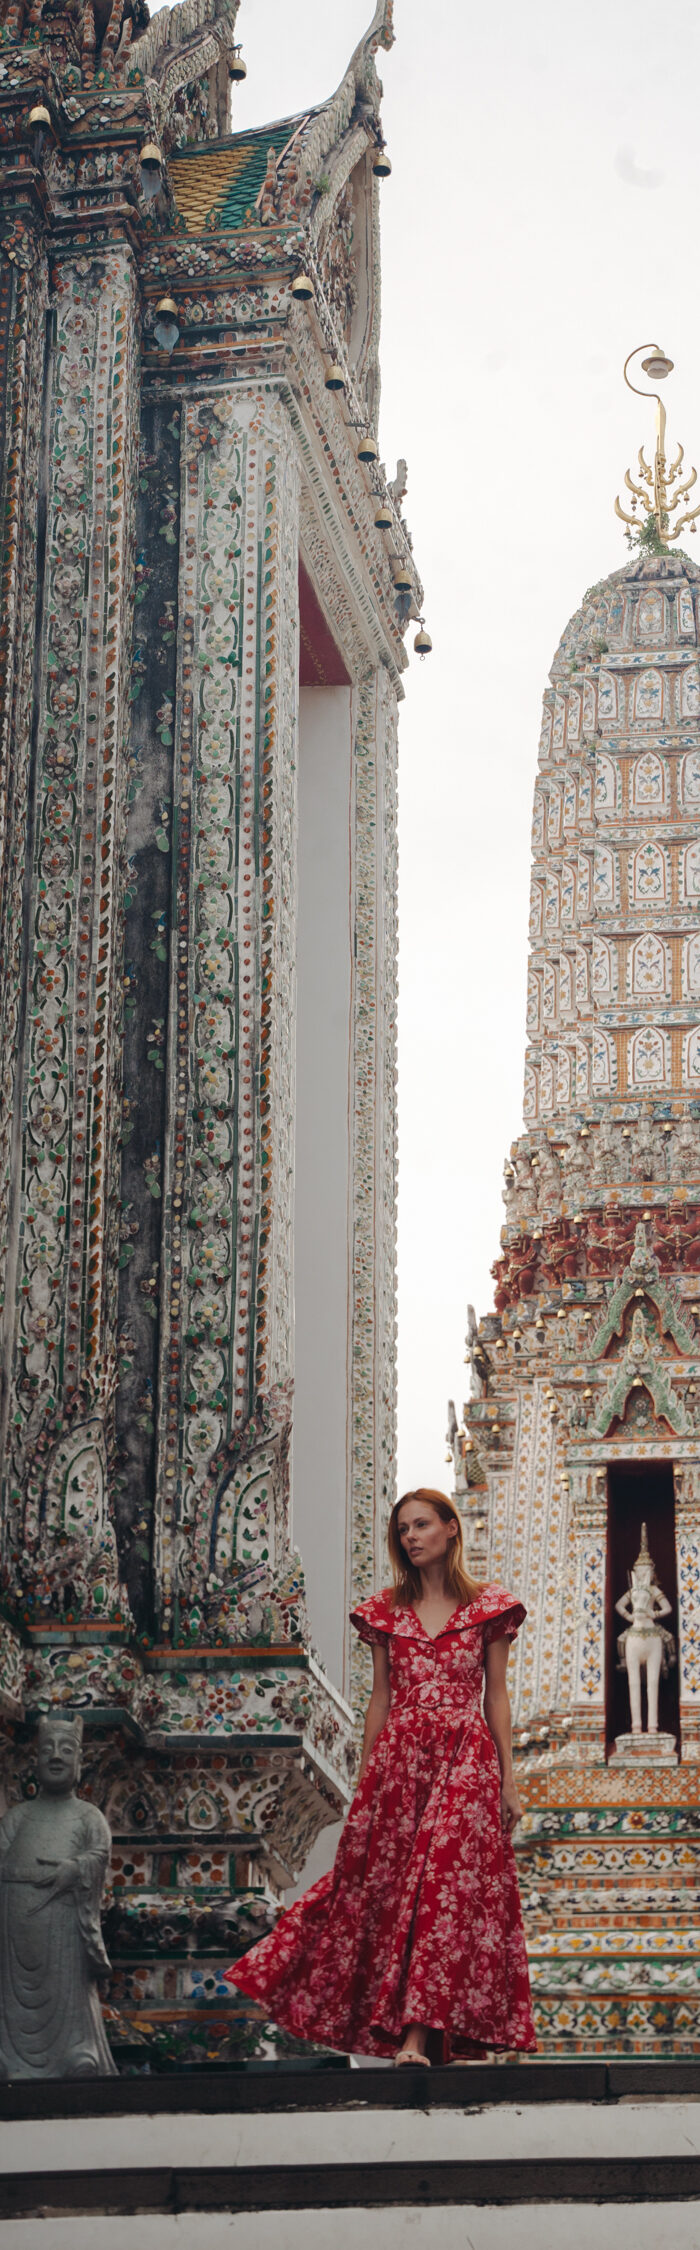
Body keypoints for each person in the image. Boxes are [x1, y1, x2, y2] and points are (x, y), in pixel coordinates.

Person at [225, 1487, 535, 2062]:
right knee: (382, 1889)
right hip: (400, 1759)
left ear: (451, 1529)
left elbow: (497, 1699)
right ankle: (300, 1989)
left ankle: (418, 2036)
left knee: (444, 1888)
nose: (411, 1537)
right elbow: (380, 1700)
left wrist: (508, 1781)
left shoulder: (490, 1609)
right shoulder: (385, 1612)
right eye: (403, 1531)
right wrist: (366, 1776)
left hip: (466, 1754)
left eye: (421, 1526)